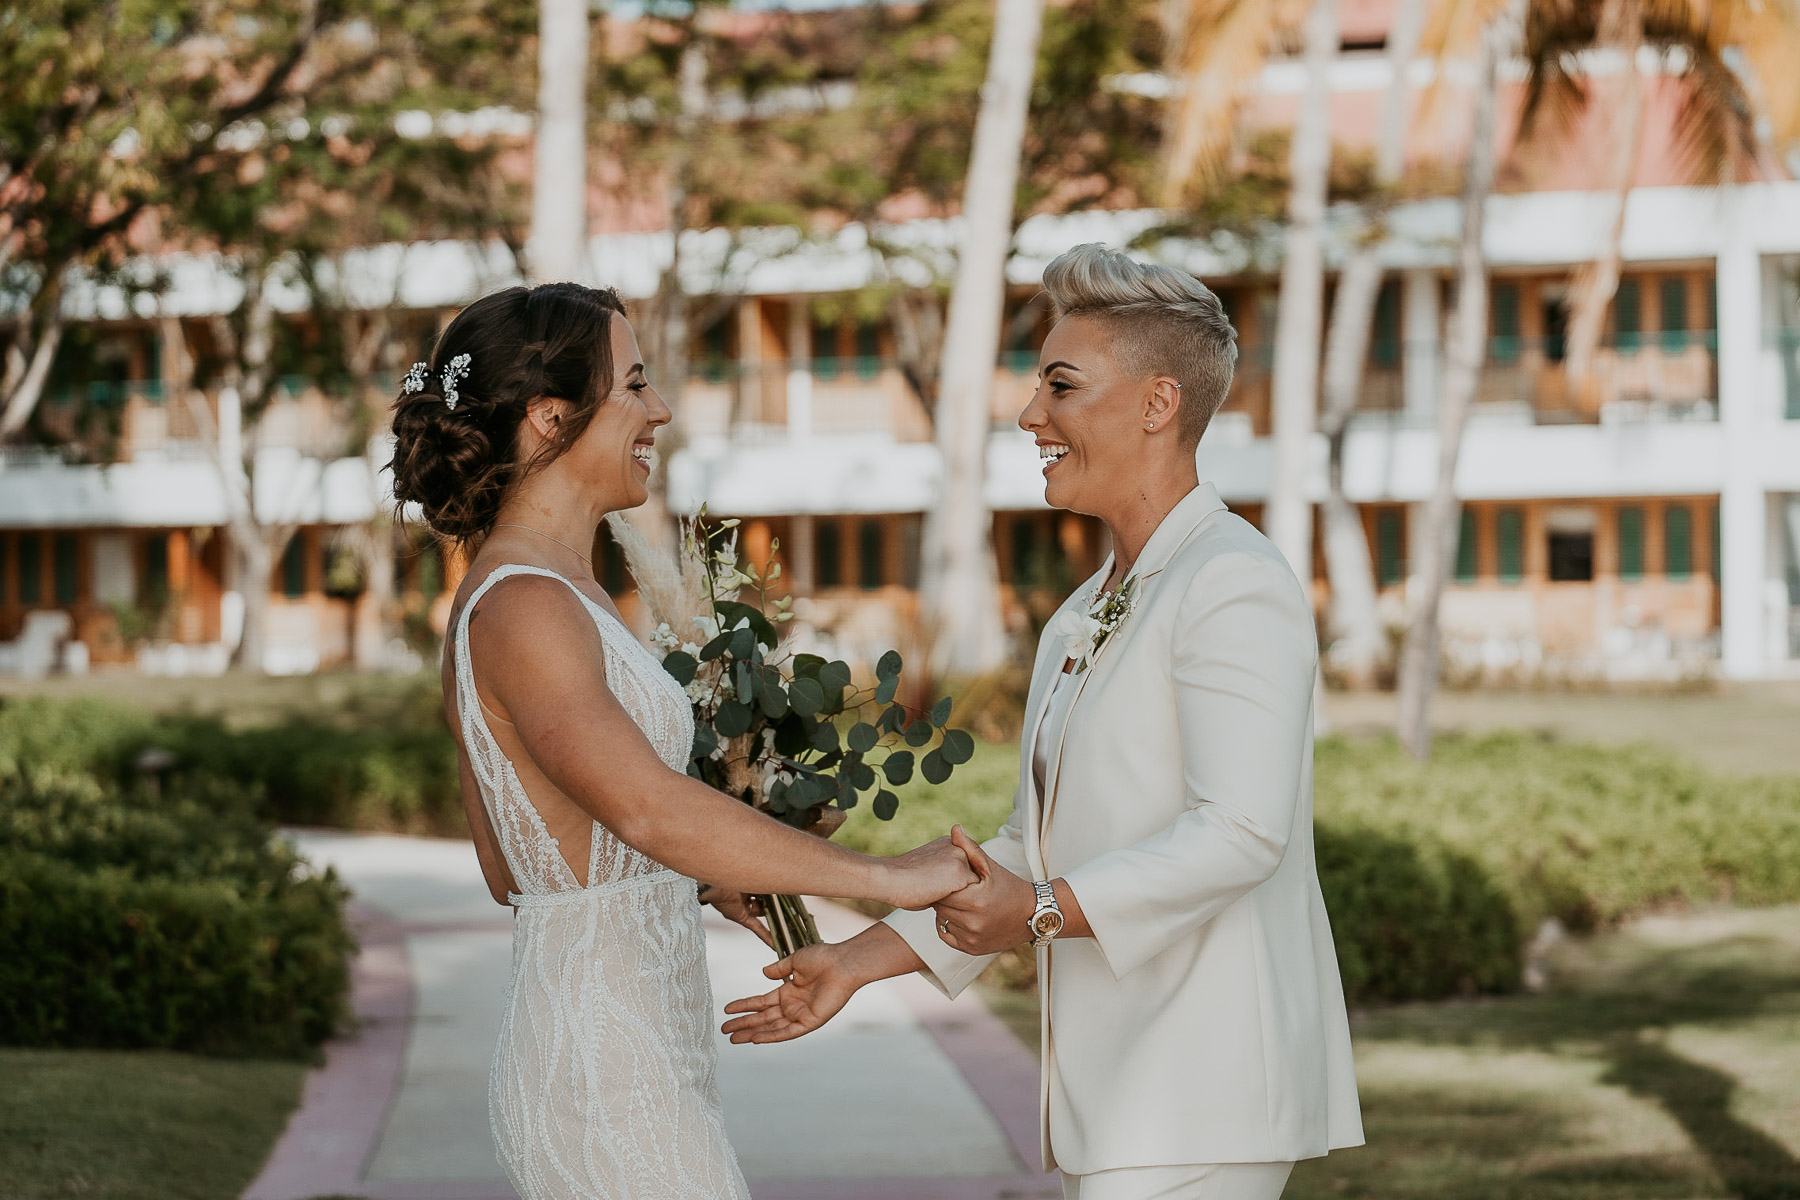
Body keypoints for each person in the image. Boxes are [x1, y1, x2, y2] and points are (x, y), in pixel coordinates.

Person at [722, 244, 1364, 1199]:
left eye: (1061, 388)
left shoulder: (1232, 582)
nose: (1031, 416)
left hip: (1201, 1084)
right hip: (1114, 1094)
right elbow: (1029, 847)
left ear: (1157, 404)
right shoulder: (1083, 609)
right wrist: (856, 962)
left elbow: (1242, 831)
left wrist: (1042, 911)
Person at [387, 281, 976, 1200]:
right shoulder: (527, 606)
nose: (658, 409)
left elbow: (523, 868)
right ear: (550, 419)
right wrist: (889, 878)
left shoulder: (540, 591)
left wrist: (708, 873)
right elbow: (644, 809)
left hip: (633, 1053)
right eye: (633, 385)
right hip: (604, 1074)